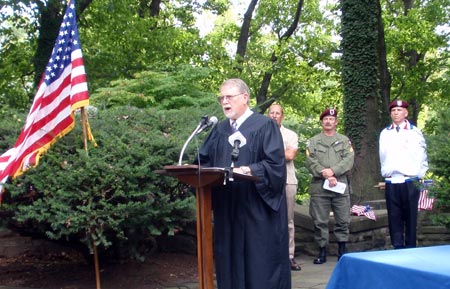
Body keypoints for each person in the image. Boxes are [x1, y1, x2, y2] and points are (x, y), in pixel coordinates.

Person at [197, 78, 291, 289]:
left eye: (229, 97)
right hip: (228, 208)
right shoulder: (219, 130)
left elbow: (275, 166)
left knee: (258, 265)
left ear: (245, 98)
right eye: (221, 97)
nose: (224, 101)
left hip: (256, 210)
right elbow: (203, 161)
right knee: (229, 264)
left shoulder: (265, 125)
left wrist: (248, 169)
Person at [305, 108, 354, 264]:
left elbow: (349, 159)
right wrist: (324, 173)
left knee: (343, 220)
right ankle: (322, 252)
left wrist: (333, 171)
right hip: (320, 186)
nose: (328, 121)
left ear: (336, 122)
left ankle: (342, 251)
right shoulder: (313, 141)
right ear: (322, 122)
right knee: (320, 221)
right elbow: (310, 161)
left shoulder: (345, 141)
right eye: (325, 119)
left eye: (331, 119)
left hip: (340, 185)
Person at [379, 99, 428, 249]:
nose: (396, 113)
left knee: (410, 216)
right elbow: (383, 156)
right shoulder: (385, 133)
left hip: (409, 180)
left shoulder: (414, 132)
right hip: (392, 181)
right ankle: (397, 247)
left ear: (405, 113)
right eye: (393, 110)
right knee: (394, 216)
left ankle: (410, 247)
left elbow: (422, 155)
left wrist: (419, 175)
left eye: (399, 110)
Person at [268, 103, 301, 271]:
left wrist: (269, 152)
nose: (274, 115)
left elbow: (289, 155)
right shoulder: (261, 133)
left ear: (283, 116)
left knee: (288, 221)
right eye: (271, 113)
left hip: (287, 181)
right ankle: (270, 255)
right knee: (267, 219)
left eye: (277, 113)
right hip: (266, 182)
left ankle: (289, 256)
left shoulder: (290, 134)